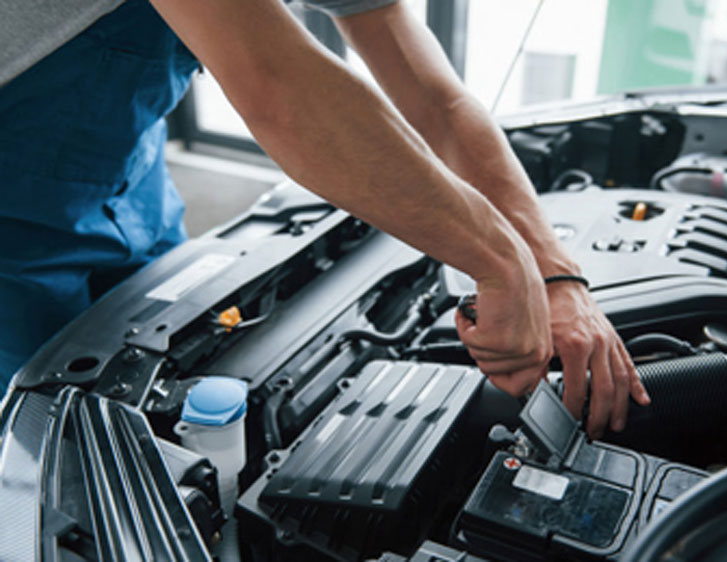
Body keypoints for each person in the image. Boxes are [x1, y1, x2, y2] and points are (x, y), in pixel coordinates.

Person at [0, 0, 649, 437]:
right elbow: (277, 84)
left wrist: (555, 272)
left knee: (167, 376)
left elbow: (437, 99)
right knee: (42, 433)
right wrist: (501, 263)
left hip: (118, 180)